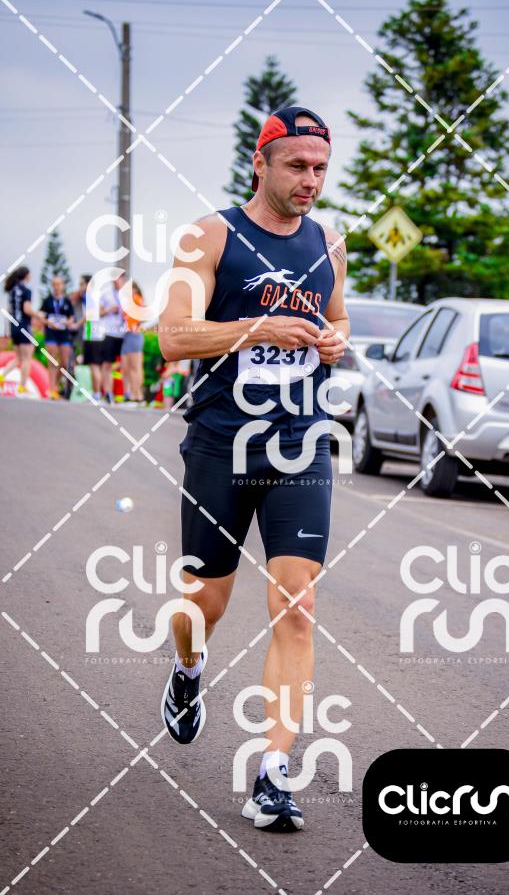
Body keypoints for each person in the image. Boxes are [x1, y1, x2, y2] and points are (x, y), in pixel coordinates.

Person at [159, 106, 349, 832]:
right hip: (222, 443)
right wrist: (255, 328)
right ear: (260, 163)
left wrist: (333, 341)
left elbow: (339, 319)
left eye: (320, 168)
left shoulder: (329, 244)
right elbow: (172, 337)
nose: (310, 180)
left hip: (301, 441)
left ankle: (273, 774)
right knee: (202, 605)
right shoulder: (208, 237)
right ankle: (188, 671)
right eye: (296, 165)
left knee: (297, 605)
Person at [0, 266, 44, 396]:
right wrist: (38, 315)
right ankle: (22, 386)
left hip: (14, 328)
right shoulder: (26, 290)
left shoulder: (12, 291)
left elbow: (8, 311)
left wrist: (7, 332)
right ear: (26, 275)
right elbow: (27, 309)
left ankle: (2, 376)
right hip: (24, 327)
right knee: (26, 359)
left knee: (19, 358)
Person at [40, 276, 75, 400]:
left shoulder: (67, 301)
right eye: (54, 284)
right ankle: (51, 389)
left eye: (58, 284)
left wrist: (67, 322)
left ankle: (55, 383)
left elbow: (71, 318)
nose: (56, 287)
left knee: (65, 363)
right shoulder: (47, 301)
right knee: (52, 360)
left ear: (63, 285)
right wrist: (48, 322)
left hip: (64, 334)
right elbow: (41, 315)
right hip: (51, 333)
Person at [99, 272, 126, 403]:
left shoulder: (127, 295)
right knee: (107, 364)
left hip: (123, 333)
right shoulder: (106, 293)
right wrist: (109, 310)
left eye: (119, 278)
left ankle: (127, 394)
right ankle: (108, 392)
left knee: (125, 364)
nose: (117, 281)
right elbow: (99, 312)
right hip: (109, 332)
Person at [120, 280, 145, 403]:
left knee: (135, 367)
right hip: (126, 335)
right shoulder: (128, 302)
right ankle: (129, 394)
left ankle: (137, 395)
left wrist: (137, 324)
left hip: (134, 335)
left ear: (135, 289)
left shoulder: (136, 299)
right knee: (126, 368)